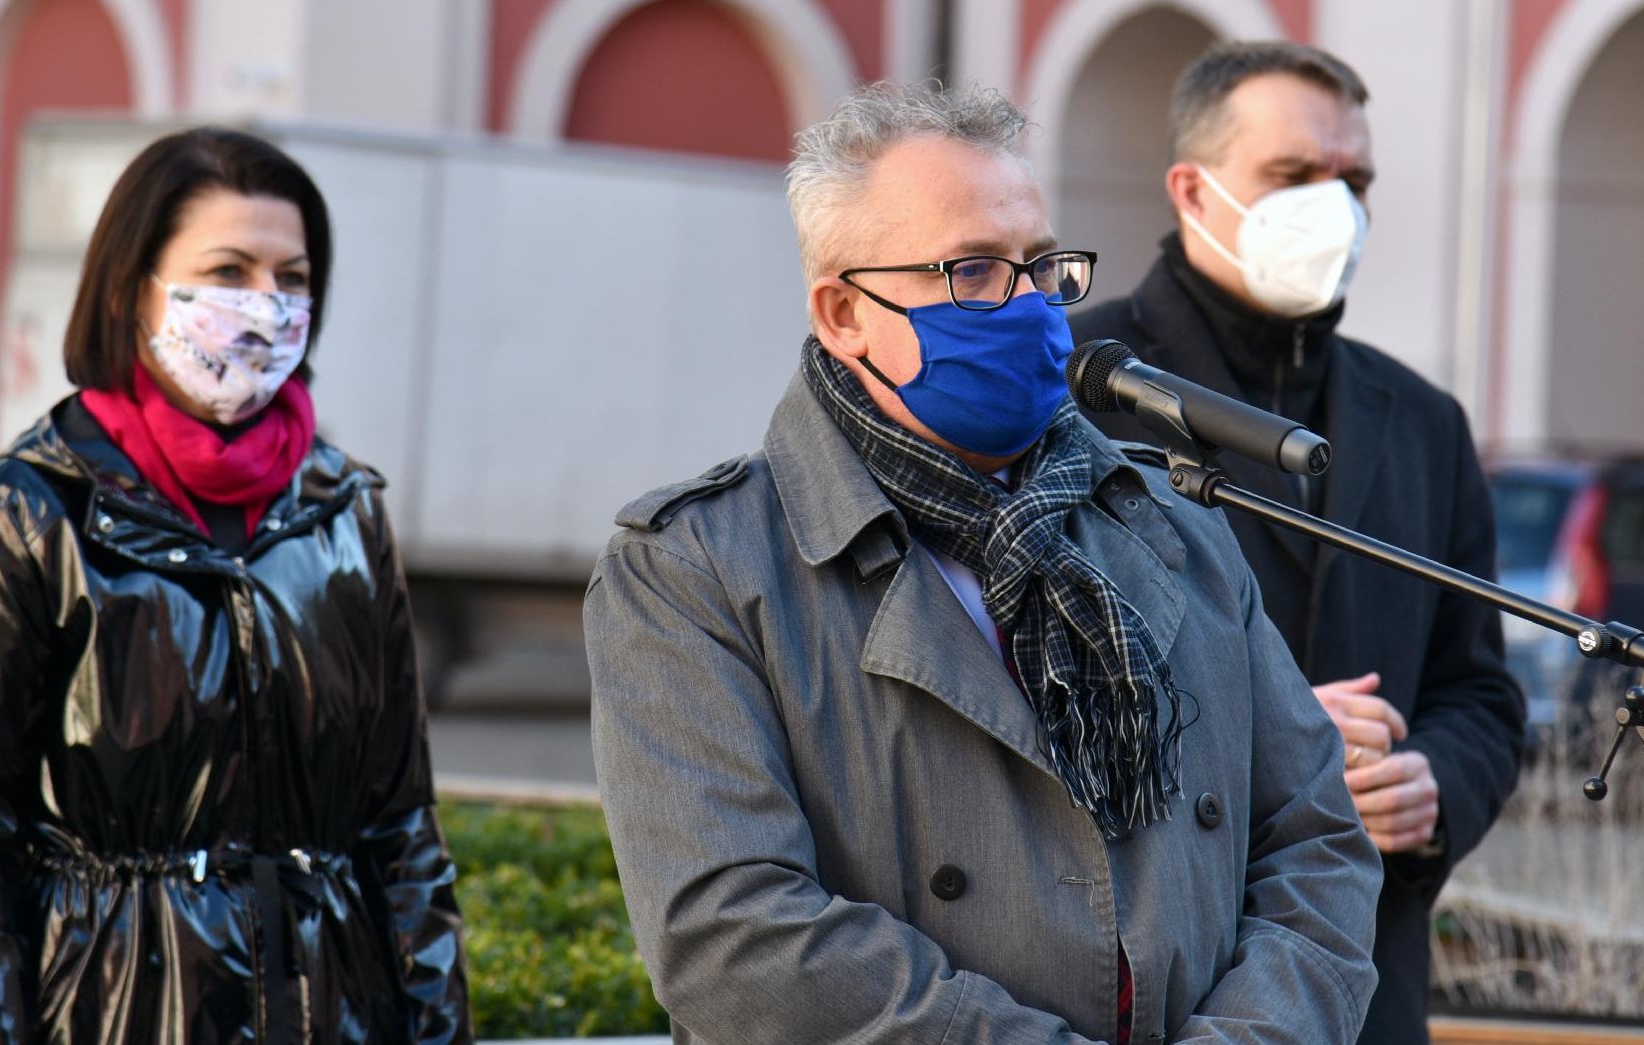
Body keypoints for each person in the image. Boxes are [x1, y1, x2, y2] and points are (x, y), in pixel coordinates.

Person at [585, 81, 1380, 1044]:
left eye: (1041, 265)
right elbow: (733, 936)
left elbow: (1317, 843)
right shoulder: (696, 570)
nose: (1029, 305)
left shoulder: (1172, 524)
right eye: (972, 272)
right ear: (843, 314)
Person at [0, 127, 472, 1043]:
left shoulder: (344, 513)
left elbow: (401, 827)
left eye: (291, 278)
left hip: (333, 1014)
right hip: (105, 1010)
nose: (266, 304)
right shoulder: (26, 509)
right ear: (135, 289)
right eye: (229, 269)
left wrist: (439, 1029)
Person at [1070, 42, 1526, 1045]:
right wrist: (1268, 739)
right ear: (1192, 189)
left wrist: (1432, 787)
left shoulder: (1421, 420)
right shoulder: (1074, 391)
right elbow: (1009, 684)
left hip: (1366, 988)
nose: (1336, 207)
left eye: (1352, 179)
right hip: (1154, 982)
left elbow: (1480, 691)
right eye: (1292, 177)